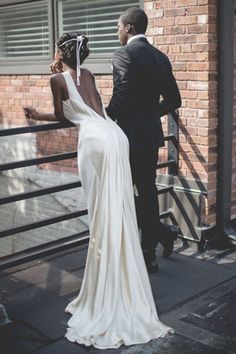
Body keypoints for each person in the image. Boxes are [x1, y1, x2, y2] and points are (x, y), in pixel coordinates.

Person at [23, 32, 173, 349]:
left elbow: (65, 117)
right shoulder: (89, 74)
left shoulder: (57, 80)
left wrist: (36, 115)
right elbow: (96, 108)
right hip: (115, 136)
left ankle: (106, 291)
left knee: (101, 216)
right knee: (118, 209)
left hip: (93, 141)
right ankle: (123, 282)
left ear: (60, 53)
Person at [106, 7, 182, 273]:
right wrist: (149, 113)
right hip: (149, 135)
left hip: (126, 136)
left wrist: (103, 118)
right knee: (147, 192)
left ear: (129, 28)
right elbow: (175, 100)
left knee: (123, 191)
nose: (117, 32)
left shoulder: (123, 53)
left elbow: (121, 94)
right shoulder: (160, 57)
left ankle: (157, 236)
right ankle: (153, 246)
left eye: (118, 27)